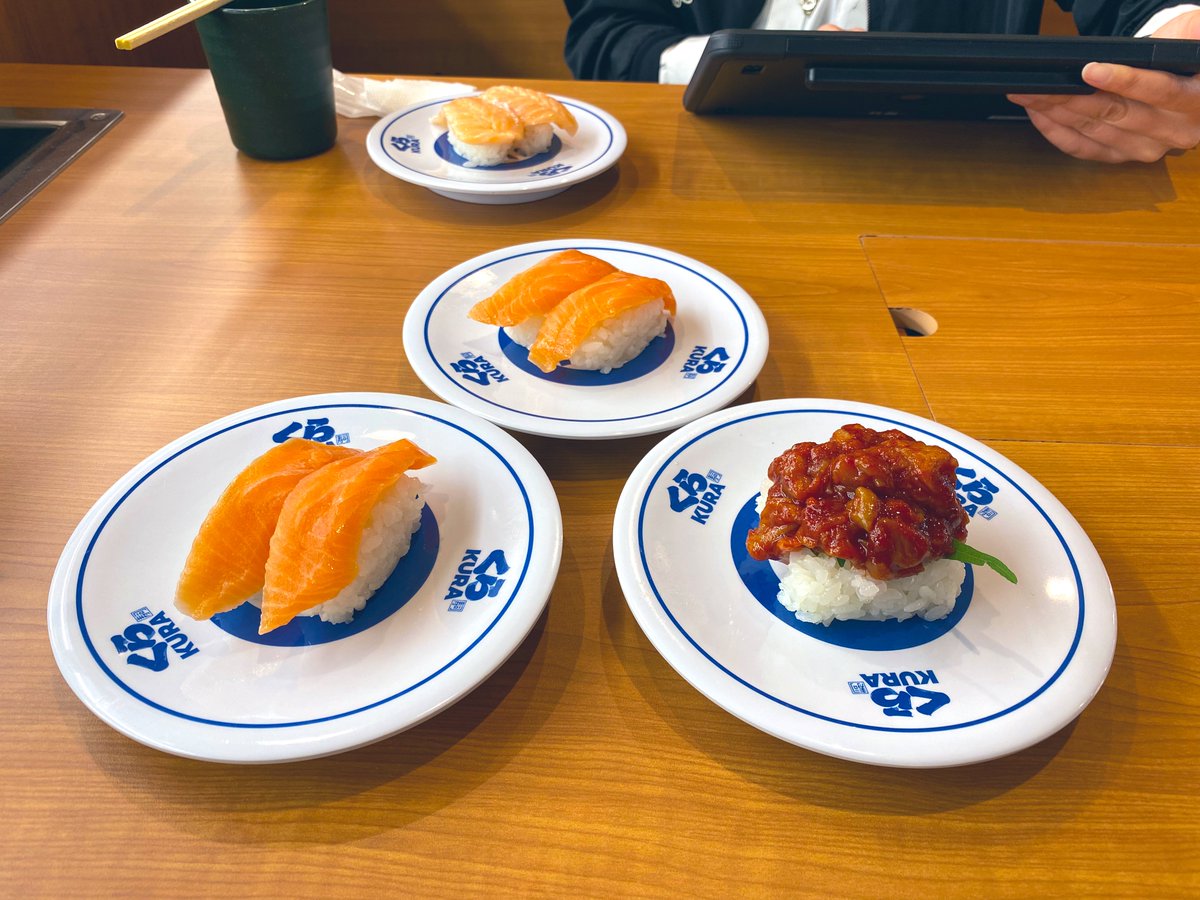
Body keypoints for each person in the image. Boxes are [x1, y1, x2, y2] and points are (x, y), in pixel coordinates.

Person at [562, 0, 1200, 162]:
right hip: (701, 153)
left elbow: (1154, 10)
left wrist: (1180, 46)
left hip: (955, 165)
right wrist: (730, 65)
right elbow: (606, 34)